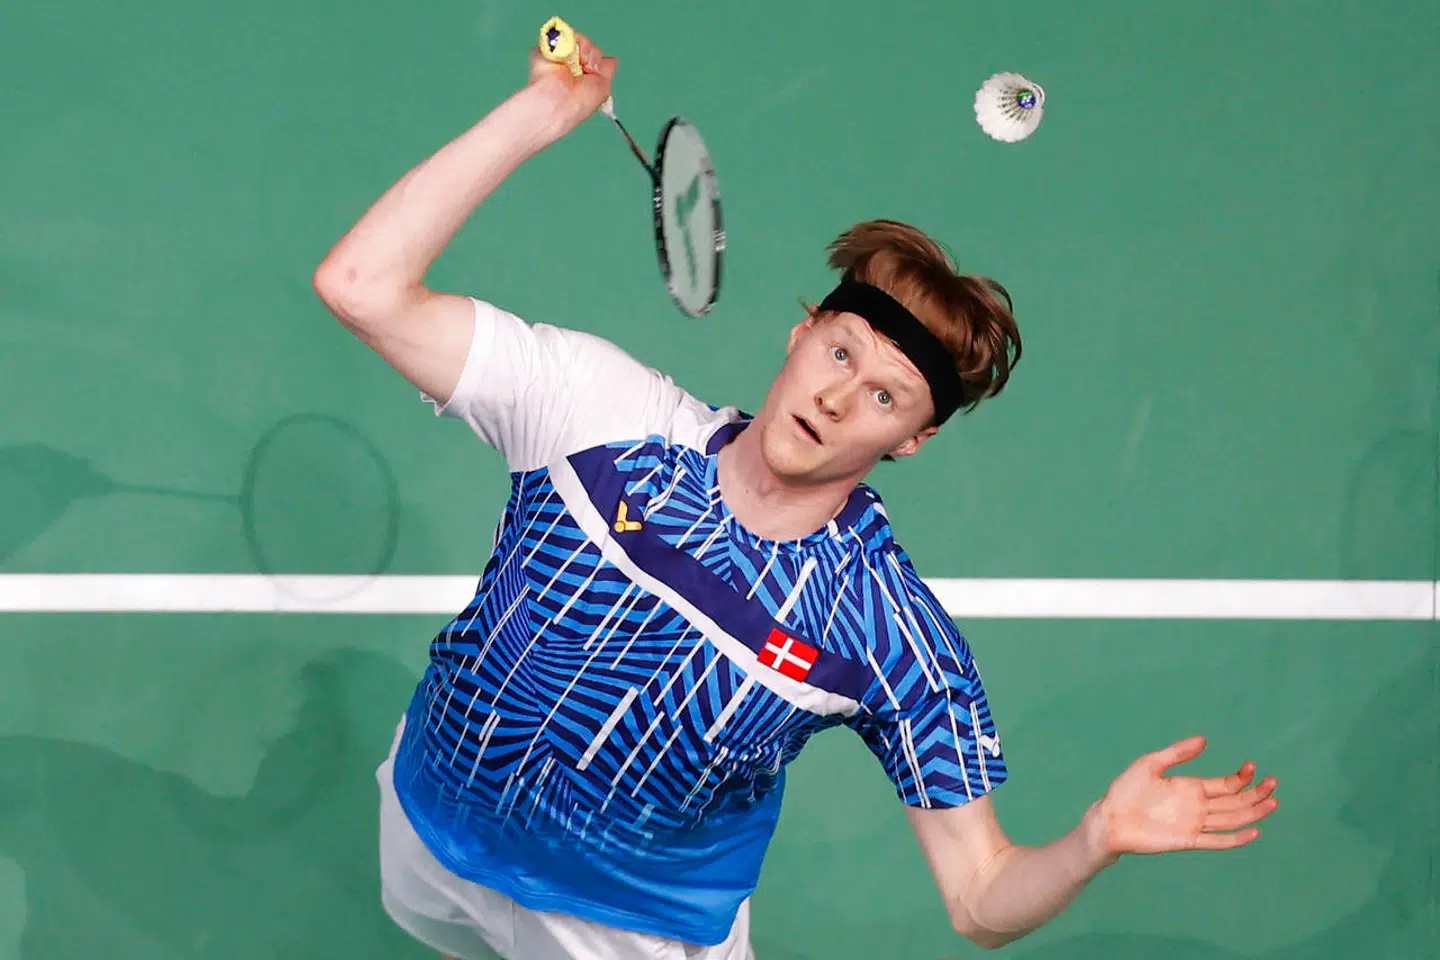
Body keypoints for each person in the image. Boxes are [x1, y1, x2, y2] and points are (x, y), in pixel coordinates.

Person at [312, 29, 1280, 960]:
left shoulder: (882, 632)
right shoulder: (597, 414)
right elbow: (362, 284)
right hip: (434, 813)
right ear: (801, 332)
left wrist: (1094, 838)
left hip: (626, 925)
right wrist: (541, 113)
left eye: (885, 395)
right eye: (840, 350)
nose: (837, 395)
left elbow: (981, 898)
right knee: (459, 938)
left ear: (913, 438)